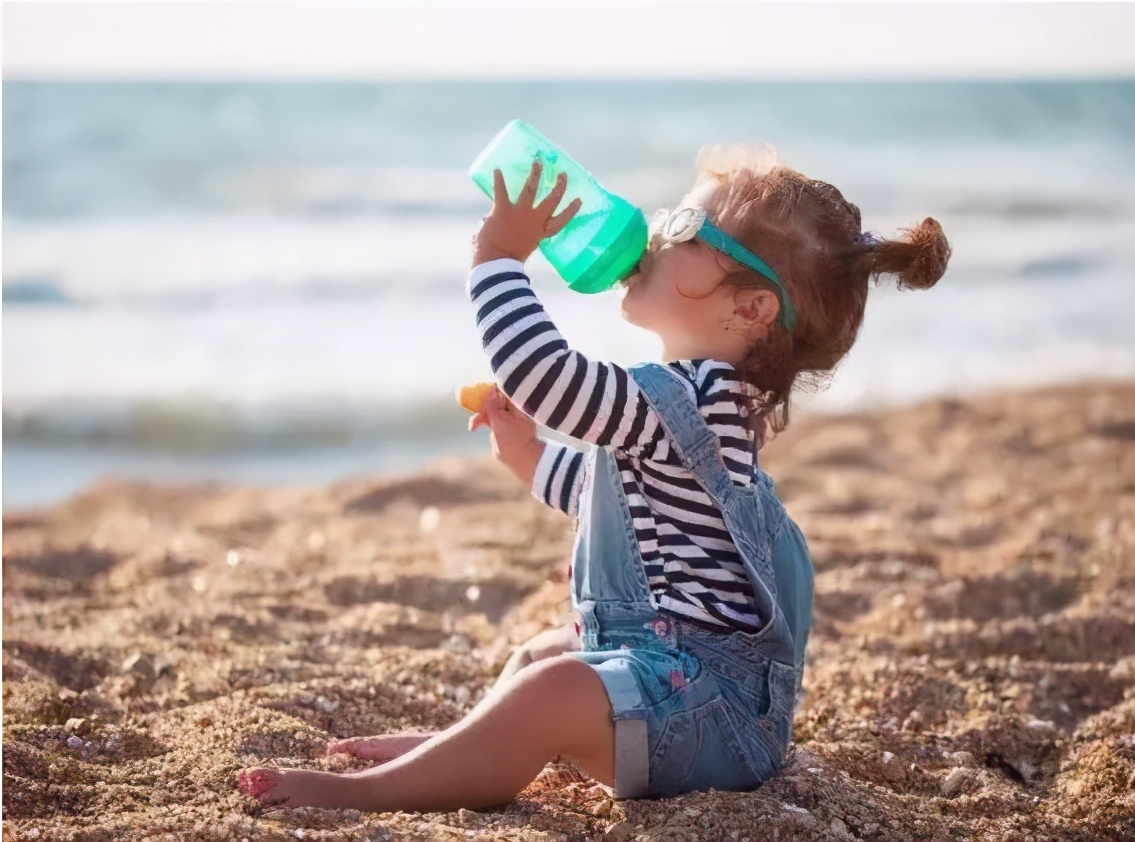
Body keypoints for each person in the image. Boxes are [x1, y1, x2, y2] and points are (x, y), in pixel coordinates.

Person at [238, 146, 951, 811]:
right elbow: (612, 501)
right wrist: (529, 453)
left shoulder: (697, 400)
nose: (654, 234)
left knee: (554, 685)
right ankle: (464, 752)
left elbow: (545, 376)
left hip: (714, 718)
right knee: (541, 657)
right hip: (672, 680)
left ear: (750, 308)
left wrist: (497, 259)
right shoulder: (694, 404)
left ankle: (372, 792)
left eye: (684, 224)